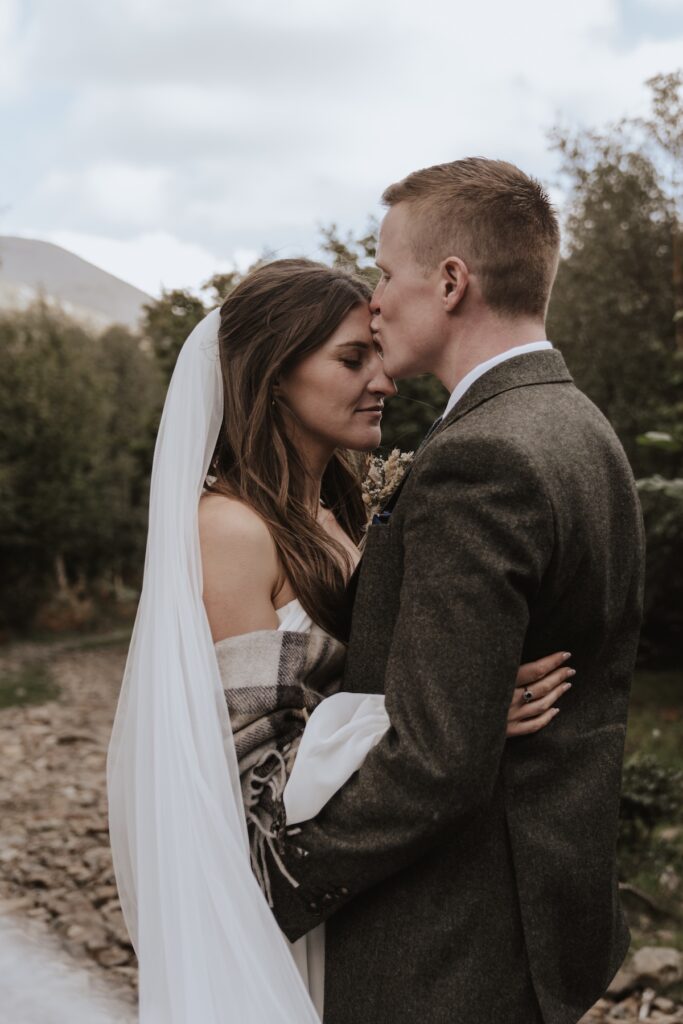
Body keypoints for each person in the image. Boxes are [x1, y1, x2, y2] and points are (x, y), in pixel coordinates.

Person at [107, 256, 572, 1023]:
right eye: (352, 359)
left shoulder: (341, 516)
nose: (383, 381)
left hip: (363, 895)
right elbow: (257, 781)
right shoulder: (229, 530)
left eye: (378, 355)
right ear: (271, 375)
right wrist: (456, 712)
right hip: (278, 916)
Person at [264, 160, 646, 1024]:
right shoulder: (580, 427)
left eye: (385, 270)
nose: (375, 298)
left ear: (448, 281)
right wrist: (458, 702)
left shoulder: (482, 458)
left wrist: (274, 881)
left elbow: (437, 760)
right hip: (541, 911)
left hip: (449, 946)